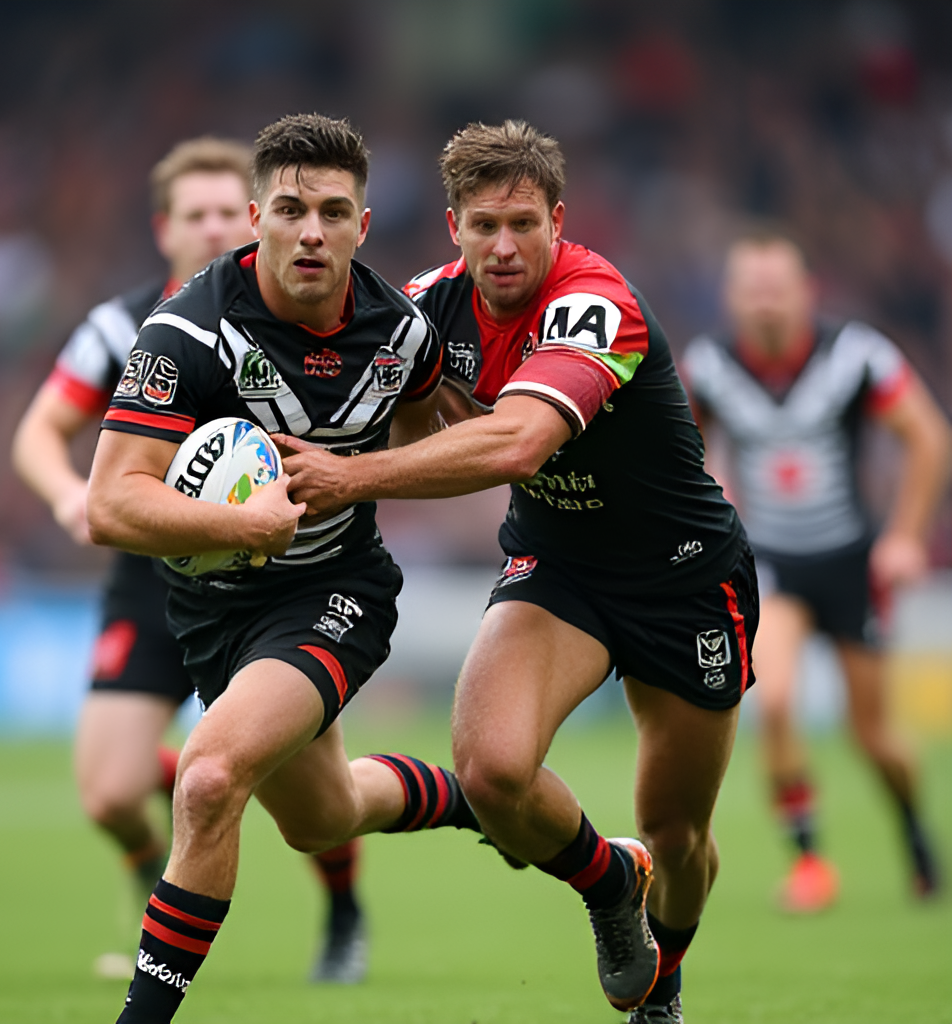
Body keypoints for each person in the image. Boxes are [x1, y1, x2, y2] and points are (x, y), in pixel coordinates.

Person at [281, 120, 759, 1024]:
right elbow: (386, 411)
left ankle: (667, 977)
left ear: (558, 221)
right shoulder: (425, 309)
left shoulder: (595, 302)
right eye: (485, 226)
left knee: (679, 829)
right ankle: (612, 886)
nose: (506, 247)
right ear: (453, 226)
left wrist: (342, 475)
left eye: (525, 225)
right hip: (560, 568)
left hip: (686, 579)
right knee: (492, 772)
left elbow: (521, 440)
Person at [86, 114, 481, 1024]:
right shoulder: (186, 330)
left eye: (334, 212)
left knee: (210, 776)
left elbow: (440, 438)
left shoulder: (403, 333)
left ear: (363, 226)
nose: (312, 231)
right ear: (257, 215)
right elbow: (113, 504)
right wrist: (238, 518)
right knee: (322, 816)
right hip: (214, 610)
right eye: (293, 209)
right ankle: (477, 799)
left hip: (335, 590)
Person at [12, 136, 370, 984]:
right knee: (109, 791)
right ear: (165, 228)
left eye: (225, 213)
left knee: (311, 801)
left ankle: (344, 909)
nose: (214, 229)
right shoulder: (124, 325)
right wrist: (74, 496)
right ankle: (155, 880)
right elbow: (37, 431)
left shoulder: (289, 313)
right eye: (197, 215)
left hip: (276, 582)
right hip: (151, 576)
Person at [681, 231, 950, 911]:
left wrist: (906, 537)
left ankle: (914, 832)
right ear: (732, 299)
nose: (766, 302)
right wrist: (712, 501)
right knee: (773, 700)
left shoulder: (857, 354)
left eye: (779, 287)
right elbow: (682, 451)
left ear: (809, 291)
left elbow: (928, 438)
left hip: (852, 563)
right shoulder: (709, 364)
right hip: (770, 562)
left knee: (875, 737)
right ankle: (808, 863)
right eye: (752, 288)